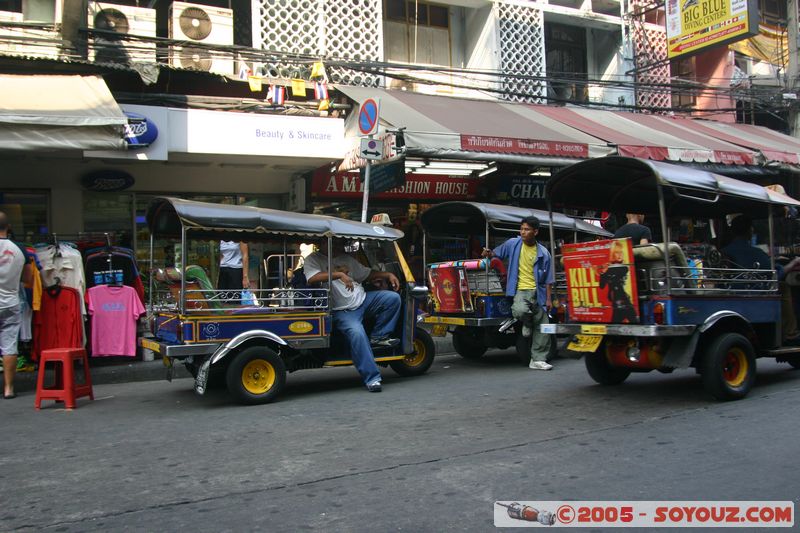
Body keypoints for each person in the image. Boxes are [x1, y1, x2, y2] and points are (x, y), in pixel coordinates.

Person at [304, 240, 402, 392]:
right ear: (322, 244)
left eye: (339, 244)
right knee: (357, 334)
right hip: (342, 311)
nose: (338, 247)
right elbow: (312, 278)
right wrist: (339, 275)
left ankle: (379, 336)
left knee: (392, 299)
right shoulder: (313, 259)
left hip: (363, 300)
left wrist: (388, 274)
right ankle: (372, 378)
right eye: (334, 244)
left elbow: (367, 274)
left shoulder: (346, 258)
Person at [482, 216, 555, 370]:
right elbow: (496, 254)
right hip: (521, 290)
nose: (523, 232)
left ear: (535, 232)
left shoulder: (544, 253)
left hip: (539, 292)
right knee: (519, 311)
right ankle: (527, 323)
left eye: (527, 229)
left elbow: (549, 279)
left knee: (543, 327)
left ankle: (538, 360)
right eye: (521, 228)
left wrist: (549, 299)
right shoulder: (513, 244)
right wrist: (488, 253)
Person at [723, 214, 800, 343]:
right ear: (750, 230)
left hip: (732, 291)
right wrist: (794, 263)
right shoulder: (755, 253)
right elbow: (775, 274)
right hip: (752, 292)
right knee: (783, 286)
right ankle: (790, 333)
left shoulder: (725, 250)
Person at [0, 211, 31, 399]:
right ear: (8, 227)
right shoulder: (20, 249)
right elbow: (27, 279)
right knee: (9, 346)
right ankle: (9, 388)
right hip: (11, 302)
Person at [597, 240, 637, 323]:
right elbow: (601, 286)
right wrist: (603, 273)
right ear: (612, 254)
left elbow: (621, 273)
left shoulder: (623, 267)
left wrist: (606, 272)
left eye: (621, 252)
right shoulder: (610, 269)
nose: (619, 255)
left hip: (624, 302)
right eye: (616, 252)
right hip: (619, 303)